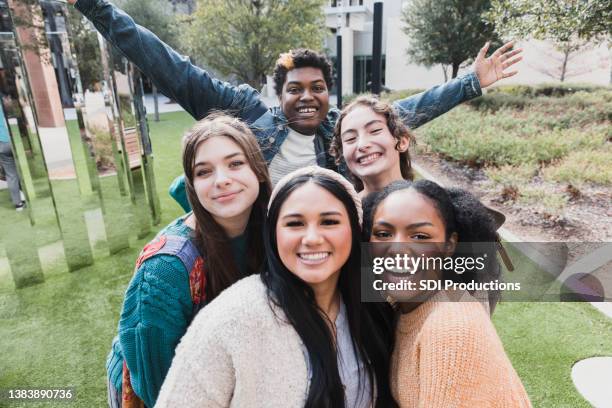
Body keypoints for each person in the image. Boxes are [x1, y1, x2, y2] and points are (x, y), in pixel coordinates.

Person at [68, 0, 522, 195]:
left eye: (318, 88)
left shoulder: (344, 129)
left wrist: (471, 83)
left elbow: (406, 112)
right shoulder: (245, 114)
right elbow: (170, 67)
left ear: (329, 93)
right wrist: (96, 8)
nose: (307, 97)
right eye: (295, 89)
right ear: (278, 94)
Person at [155, 166, 395, 408]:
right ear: (273, 235)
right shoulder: (234, 316)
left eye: (329, 221)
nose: (312, 238)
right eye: (295, 224)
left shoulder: (376, 301)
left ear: (354, 230)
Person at [106, 113, 272, 408]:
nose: (222, 180)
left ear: (258, 169)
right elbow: (161, 386)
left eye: (235, 163)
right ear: (192, 185)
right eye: (204, 172)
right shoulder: (164, 270)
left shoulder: (274, 227)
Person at [362, 179, 531, 407]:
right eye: (383, 234)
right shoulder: (401, 303)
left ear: (450, 245)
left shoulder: (451, 325)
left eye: (420, 236)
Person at [0, 96, 25, 210]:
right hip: (12, 139)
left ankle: (18, 203)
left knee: (11, 174)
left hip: (1, 144)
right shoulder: (5, 100)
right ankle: (24, 193)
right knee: (22, 169)